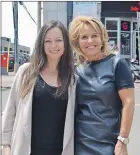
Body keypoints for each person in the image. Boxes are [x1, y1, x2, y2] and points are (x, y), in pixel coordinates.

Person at [2, 20, 77, 155]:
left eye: (58, 40)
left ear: (65, 43)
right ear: (41, 44)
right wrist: (5, 145)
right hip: (27, 150)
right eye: (47, 41)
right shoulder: (26, 72)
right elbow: (10, 109)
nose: (53, 45)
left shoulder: (72, 79)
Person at [69, 16, 135, 155]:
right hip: (80, 144)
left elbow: (128, 102)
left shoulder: (117, 64)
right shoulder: (76, 70)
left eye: (94, 36)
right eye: (84, 37)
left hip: (110, 143)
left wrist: (123, 140)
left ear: (102, 38)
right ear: (78, 42)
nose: (90, 41)